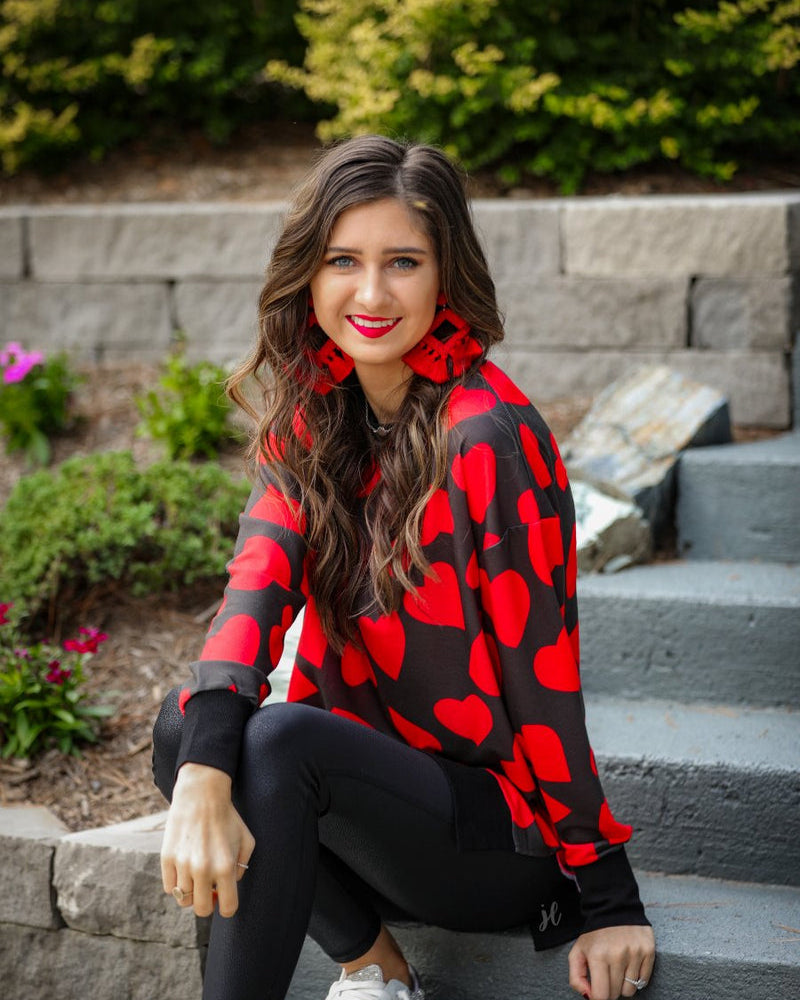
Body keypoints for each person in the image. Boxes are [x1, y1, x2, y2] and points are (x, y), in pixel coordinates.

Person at [152, 134, 656, 1000]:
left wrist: (606, 895)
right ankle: (373, 962)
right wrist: (200, 768)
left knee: (272, 739)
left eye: (404, 262)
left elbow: (544, 679)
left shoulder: (487, 434)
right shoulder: (312, 419)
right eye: (344, 259)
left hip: (490, 840)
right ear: (308, 276)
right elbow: (252, 594)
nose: (372, 293)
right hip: (364, 819)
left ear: (446, 275)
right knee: (190, 728)